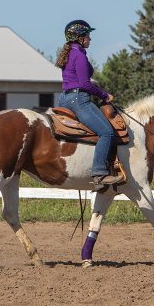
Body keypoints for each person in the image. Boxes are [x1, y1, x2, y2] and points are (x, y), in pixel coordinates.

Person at [55, 19, 124, 188]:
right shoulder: (78, 55)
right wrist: (104, 95)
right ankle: (100, 174)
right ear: (80, 38)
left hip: (65, 98)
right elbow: (85, 84)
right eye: (88, 36)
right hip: (79, 99)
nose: (90, 39)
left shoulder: (71, 52)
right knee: (107, 133)